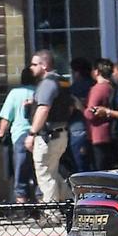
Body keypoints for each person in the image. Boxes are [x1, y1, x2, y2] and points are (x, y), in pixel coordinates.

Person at [25, 49, 73, 225]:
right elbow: (70, 106)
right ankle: (74, 204)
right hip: (61, 133)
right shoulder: (62, 82)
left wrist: (32, 133)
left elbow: (43, 109)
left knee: (45, 174)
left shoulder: (47, 83)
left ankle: (52, 215)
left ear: (44, 65)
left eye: (34, 64)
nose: (31, 67)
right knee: (52, 172)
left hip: (48, 136)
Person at [0, 67, 38, 204]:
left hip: (20, 136)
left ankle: (23, 209)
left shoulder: (15, 93)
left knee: (20, 174)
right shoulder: (39, 92)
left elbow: (6, 117)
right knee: (38, 172)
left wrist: (1, 132)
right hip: (37, 135)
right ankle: (44, 207)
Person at [83, 58, 115, 171]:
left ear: (96, 72)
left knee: (99, 169)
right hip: (108, 132)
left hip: (98, 134)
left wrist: (82, 108)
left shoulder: (98, 89)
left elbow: (91, 113)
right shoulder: (111, 87)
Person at [68, 57, 94, 173]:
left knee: (81, 168)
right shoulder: (95, 85)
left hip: (78, 128)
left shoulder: (74, 88)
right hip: (96, 130)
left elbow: (70, 108)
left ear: (76, 72)